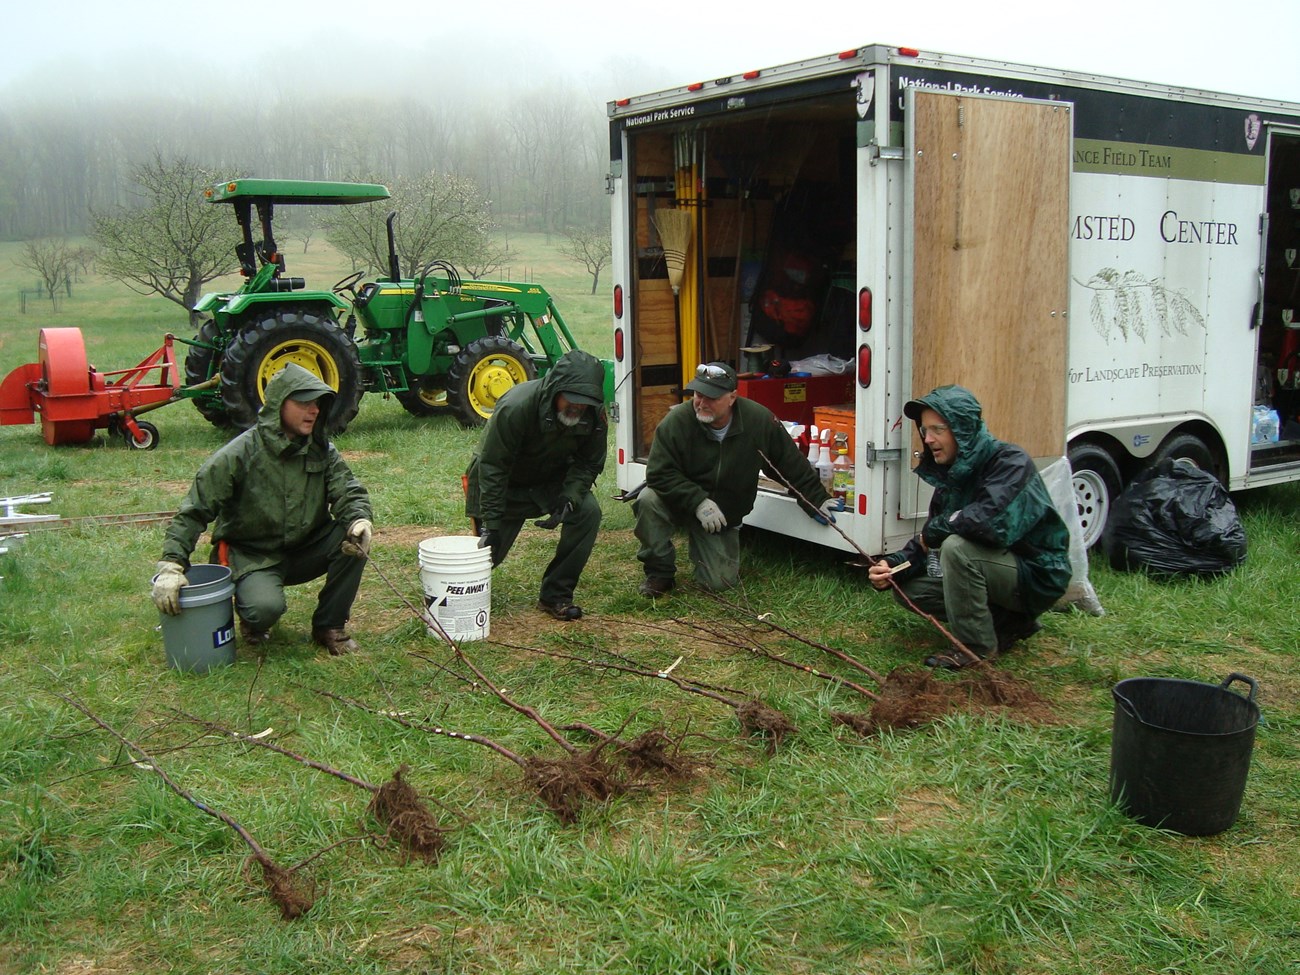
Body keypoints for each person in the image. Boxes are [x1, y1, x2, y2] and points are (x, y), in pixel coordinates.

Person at [151, 363, 373, 656]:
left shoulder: (321, 449)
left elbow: (348, 490)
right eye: (304, 402)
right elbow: (194, 510)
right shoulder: (238, 454)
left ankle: (329, 627)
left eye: (318, 403)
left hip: (306, 546)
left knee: (354, 542)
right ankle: (253, 618)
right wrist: (171, 565)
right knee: (264, 609)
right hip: (252, 555)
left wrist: (359, 518)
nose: (314, 410)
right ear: (280, 404)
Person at [867, 384, 1070, 668]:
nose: (928, 439)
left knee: (957, 548)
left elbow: (987, 522)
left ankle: (975, 650)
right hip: (996, 568)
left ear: (963, 429)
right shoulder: (954, 475)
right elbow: (929, 540)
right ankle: (1007, 624)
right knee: (909, 589)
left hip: (1036, 572)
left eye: (938, 429)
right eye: (925, 430)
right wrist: (894, 564)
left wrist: (939, 529)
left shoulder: (1010, 461)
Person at [634, 361, 836, 595]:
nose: (701, 403)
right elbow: (659, 473)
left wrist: (816, 498)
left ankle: (708, 550)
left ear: (732, 397)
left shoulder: (758, 420)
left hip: (723, 512)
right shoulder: (677, 421)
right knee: (648, 500)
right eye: (698, 395)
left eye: (711, 398)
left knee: (718, 584)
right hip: (680, 501)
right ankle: (660, 573)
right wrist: (698, 501)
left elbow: (787, 463)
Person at [464, 349, 608, 621]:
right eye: (572, 399)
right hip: (505, 485)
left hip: (550, 482)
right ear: (555, 389)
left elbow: (589, 463)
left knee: (588, 511)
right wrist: (491, 523)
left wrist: (569, 496)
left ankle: (556, 594)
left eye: (585, 402)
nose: (578, 407)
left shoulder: (594, 416)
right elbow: (493, 467)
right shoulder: (516, 406)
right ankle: (456, 594)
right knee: (485, 556)